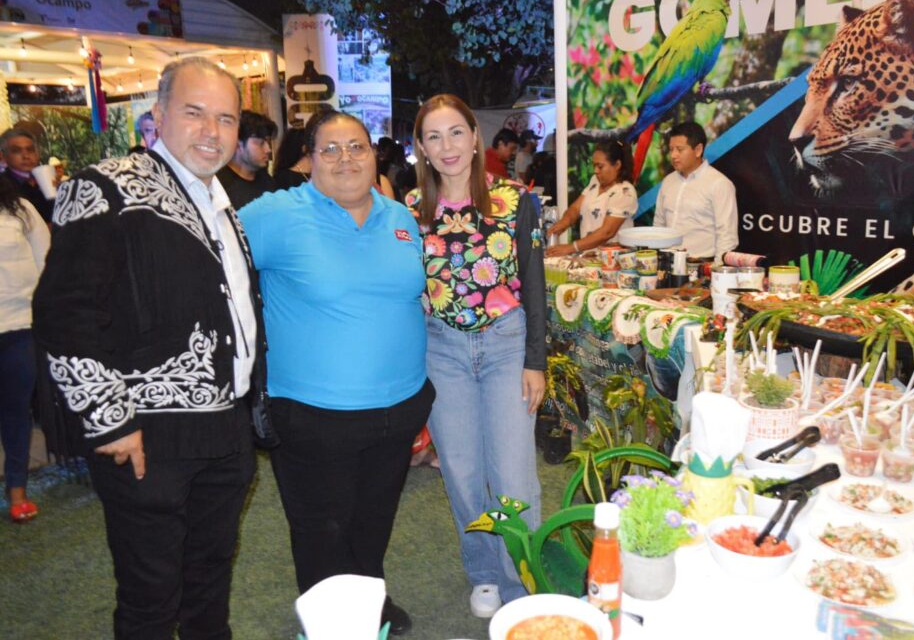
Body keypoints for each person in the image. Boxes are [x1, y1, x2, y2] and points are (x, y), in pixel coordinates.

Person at [32, 57, 263, 640]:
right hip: (146, 439)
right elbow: (64, 313)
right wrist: (109, 420)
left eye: (226, 119)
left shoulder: (220, 201)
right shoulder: (105, 185)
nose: (211, 131)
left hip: (225, 430)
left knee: (210, 580)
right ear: (158, 114)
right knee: (150, 600)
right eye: (194, 112)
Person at [238, 111, 429, 636]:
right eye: (330, 149)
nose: (346, 158)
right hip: (313, 414)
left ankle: (369, 597)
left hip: (398, 407)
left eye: (357, 147)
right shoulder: (276, 214)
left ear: (374, 155)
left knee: (373, 520)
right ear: (309, 159)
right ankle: (331, 623)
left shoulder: (399, 216)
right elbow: (213, 266)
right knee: (323, 530)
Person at [409, 94, 545, 618]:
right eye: (434, 136)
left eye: (455, 132)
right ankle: (485, 571)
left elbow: (534, 282)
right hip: (441, 352)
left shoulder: (515, 200)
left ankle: (519, 579)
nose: (447, 146)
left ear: (473, 137)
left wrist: (536, 361)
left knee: (512, 475)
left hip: (507, 345)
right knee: (462, 473)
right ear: (421, 148)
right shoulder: (409, 211)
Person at [0, 178, 49, 522]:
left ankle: (17, 489)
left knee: (16, 411)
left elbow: (46, 263)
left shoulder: (21, 210)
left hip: (19, 326)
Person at [653, 122, 738, 263]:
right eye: (671, 149)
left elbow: (727, 236)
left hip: (702, 265)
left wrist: (716, 270)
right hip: (666, 263)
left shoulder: (719, 184)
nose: (673, 155)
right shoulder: (668, 181)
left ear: (698, 150)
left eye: (680, 149)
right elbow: (659, 225)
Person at [545, 140, 637, 256]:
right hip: (588, 257)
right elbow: (575, 208)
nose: (595, 171)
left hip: (612, 261)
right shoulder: (595, 181)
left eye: (600, 166)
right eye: (594, 165)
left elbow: (607, 232)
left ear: (617, 165)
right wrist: (564, 223)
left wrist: (571, 247)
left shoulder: (625, 192)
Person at [216, 110, 278, 210]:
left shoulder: (267, 181)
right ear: (238, 144)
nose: (268, 149)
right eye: (260, 143)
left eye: (268, 143)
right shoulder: (218, 186)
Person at [0, 128, 50, 222]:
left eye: (30, 150)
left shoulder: (46, 179)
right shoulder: (3, 187)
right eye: (16, 151)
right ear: (3, 156)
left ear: (37, 153)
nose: (26, 156)